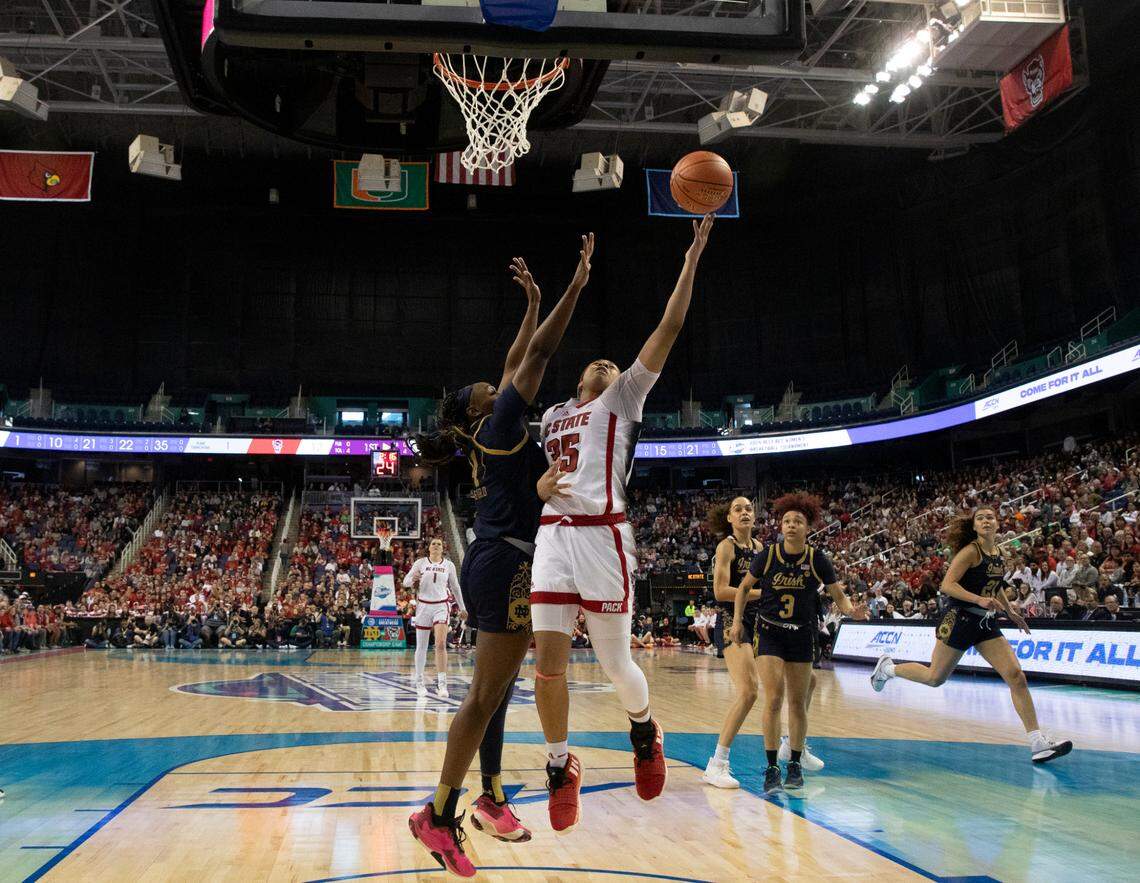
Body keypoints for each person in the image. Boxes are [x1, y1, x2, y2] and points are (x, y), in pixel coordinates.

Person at [407, 233, 595, 878]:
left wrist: (533, 298)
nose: (496, 378)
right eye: (486, 384)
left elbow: (519, 353)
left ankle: (486, 800)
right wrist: (574, 287)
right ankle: (437, 813)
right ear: (479, 405)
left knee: (496, 692)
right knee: (484, 696)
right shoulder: (503, 423)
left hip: (503, 557)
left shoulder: (491, 426)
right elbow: (537, 353)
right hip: (506, 562)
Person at [531, 214, 714, 834]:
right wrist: (536, 487)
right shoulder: (553, 414)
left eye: (615, 364)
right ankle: (560, 764)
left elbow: (668, 327)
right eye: (599, 361)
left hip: (606, 536)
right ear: (580, 378)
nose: (609, 362)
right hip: (553, 535)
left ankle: (644, 729)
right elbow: (542, 466)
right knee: (548, 665)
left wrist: (690, 259)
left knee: (616, 666)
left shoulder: (623, 398)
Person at [870, 506, 1072, 764]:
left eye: (991, 517)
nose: (986, 520)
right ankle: (888, 669)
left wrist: (1011, 611)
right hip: (960, 619)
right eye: (981, 518)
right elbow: (947, 585)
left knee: (1016, 676)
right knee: (935, 678)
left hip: (985, 623)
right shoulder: (970, 552)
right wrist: (979, 599)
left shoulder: (998, 553)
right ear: (974, 526)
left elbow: (995, 586)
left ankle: (1037, 743)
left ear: (997, 524)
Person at [731, 492, 867, 795]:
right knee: (774, 697)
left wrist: (850, 610)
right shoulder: (768, 555)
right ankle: (771, 768)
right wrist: (738, 621)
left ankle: (794, 761)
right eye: (787, 521)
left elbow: (838, 594)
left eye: (798, 521)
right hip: (769, 632)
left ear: (808, 527)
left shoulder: (817, 558)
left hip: (802, 635)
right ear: (781, 526)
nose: (791, 525)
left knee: (798, 699)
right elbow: (742, 589)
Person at [701, 496, 761, 789]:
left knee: (791, 683)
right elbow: (721, 591)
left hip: (758, 620)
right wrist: (764, 595)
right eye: (738, 509)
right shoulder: (727, 546)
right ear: (729, 518)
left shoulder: (761, 548)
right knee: (749, 691)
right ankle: (717, 763)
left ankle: (792, 747)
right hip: (730, 621)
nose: (744, 512)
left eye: (748, 508)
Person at [402, 537, 467, 698]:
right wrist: (413, 580)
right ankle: (419, 682)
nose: (436, 546)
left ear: (443, 548)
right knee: (421, 646)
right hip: (423, 606)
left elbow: (455, 587)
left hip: (441, 606)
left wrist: (463, 607)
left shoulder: (449, 565)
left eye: (439, 543)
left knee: (440, 644)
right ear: (429, 548)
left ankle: (442, 684)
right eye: (433, 544)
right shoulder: (420, 563)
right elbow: (405, 582)